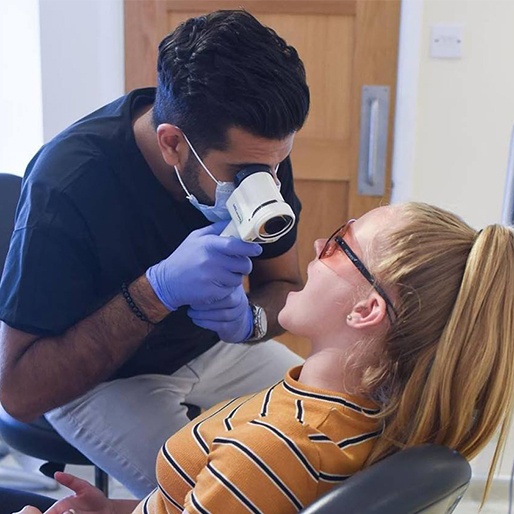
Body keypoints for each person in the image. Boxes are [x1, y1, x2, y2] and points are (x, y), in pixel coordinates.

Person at [4, 201, 514, 514]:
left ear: (367, 309)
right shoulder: (358, 416)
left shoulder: (276, 448)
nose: (316, 243)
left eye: (339, 245)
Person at [0, 10, 310, 498]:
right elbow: (18, 392)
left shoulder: (259, 156)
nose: (265, 184)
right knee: (230, 497)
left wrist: (249, 320)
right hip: (100, 382)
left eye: (276, 163)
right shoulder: (69, 183)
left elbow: (286, 286)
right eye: (244, 171)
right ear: (172, 144)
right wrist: (155, 292)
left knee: (341, 450)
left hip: (214, 349)